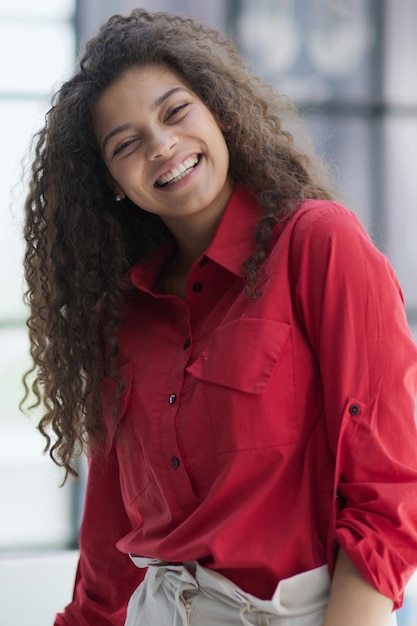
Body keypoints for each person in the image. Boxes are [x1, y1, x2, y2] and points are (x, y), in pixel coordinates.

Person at [22, 8, 417, 626]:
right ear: (113, 182)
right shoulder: (118, 316)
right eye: (126, 144)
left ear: (217, 112)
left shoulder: (318, 244)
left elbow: (389, 491)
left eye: (175, 112)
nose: (161, 145)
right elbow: (107, 548)